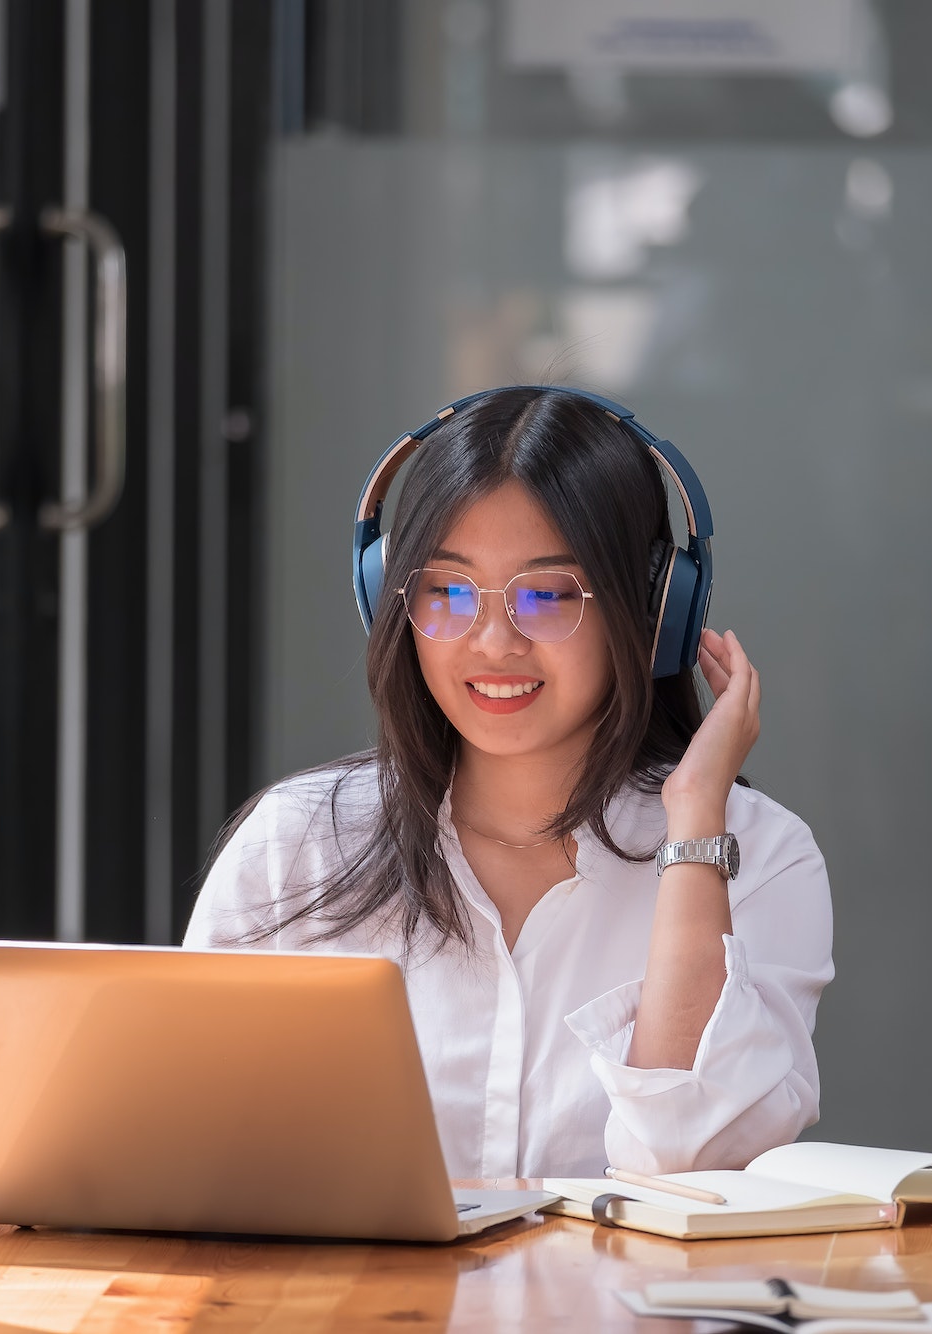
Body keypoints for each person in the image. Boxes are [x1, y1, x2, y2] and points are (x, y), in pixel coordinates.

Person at [183, 386, 833, 1179]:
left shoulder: (758, 856)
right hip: (349, 1307)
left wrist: (694, 824)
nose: (493, 641)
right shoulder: (297, 848)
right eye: (448, 592)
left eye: (549, 595)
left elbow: (692, 1168)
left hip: (628, 1308)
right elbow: (200, 1149)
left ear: (653, 609)